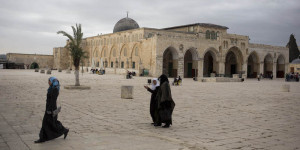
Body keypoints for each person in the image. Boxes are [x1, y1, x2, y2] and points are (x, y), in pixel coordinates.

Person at [35, 77, 69, 143]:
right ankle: (64, 130)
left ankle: (42, 138)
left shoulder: (54, 89)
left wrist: (49, 110)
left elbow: (52, 101)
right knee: (53, 123)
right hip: (50, 108)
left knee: (46, 123)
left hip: (51, 109)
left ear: (52, 81)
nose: (48, 82)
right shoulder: (52, 88)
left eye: (49, 81)